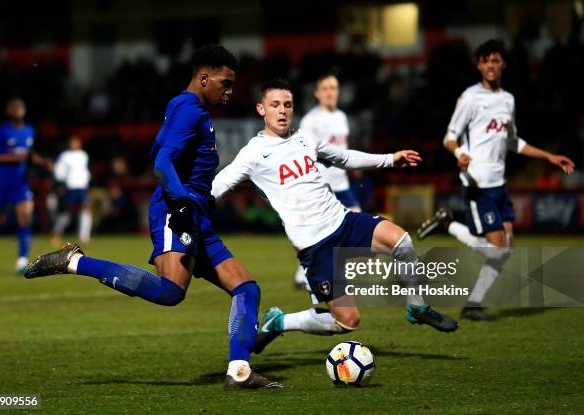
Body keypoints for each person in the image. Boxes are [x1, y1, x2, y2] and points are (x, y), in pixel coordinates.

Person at [24, 45, 281, 390]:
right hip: (179, 213)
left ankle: (239, 371)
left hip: (196, 215)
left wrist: (200, 197)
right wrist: (184, 201)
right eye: (225, 82)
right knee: (171, 291)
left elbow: (163, 152)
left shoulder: (187, 109)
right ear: (204, 78)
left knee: (246, 288)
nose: (230, 91)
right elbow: (161, 162)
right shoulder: (189, 110)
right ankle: (74, 261)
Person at [212, 79, 458, 354]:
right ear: (261, 109)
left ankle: (417, 307)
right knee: (348, 322)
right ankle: (280, 322)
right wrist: (188, 206)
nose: (282, 111)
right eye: (275, 105)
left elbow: (343, 157)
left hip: (343, 221)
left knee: (401, 241)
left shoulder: (305, 137)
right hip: (314, 246)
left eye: (287, 105)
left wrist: (390, 159)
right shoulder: (253, 153)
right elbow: (220, 184)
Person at [417, 39, 575, 320]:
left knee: (505, 250)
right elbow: (449, 137)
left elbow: (512, 141)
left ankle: (473, 305)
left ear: (503, 64)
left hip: (498, 185)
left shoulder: (508, 99)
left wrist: (549, 156)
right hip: (478, 184)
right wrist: (460, 154)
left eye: (496, 61)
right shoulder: (470, 97)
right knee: (498, 250)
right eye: (485, 61)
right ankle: (448, 223)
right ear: (479, 65)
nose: (491, 66)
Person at [292, 74, 361, 289]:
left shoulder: (341, 116)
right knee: (322, 231)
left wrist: (352, 168)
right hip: (321, 184)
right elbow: (301, 151)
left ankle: (307, 274)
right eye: (325, 88)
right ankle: (308, 273)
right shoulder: (310, 121)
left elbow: (342, 149)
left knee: (355, 223)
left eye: (334, 88)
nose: (330, 92)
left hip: (341, 183)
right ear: (317, 93)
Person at [0, 98, 51, 273]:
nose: (19, 110)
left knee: (25, 217)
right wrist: (13, 159)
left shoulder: (29, 130)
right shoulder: (2, 131)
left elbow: (29, 154)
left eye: (21, 107)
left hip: (20, 182)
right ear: (10, 112)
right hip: (1, 182)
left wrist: (43, 162)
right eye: (15, 108)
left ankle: (22, 260)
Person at [52, 135, 92, 245]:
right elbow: (59, 173)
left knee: (85, 209)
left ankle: (84, 237)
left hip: (82, 187)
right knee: (68, 212)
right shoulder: (65, 156)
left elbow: (84, 171)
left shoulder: (83, 155)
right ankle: (56, 232)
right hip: (71, 187)